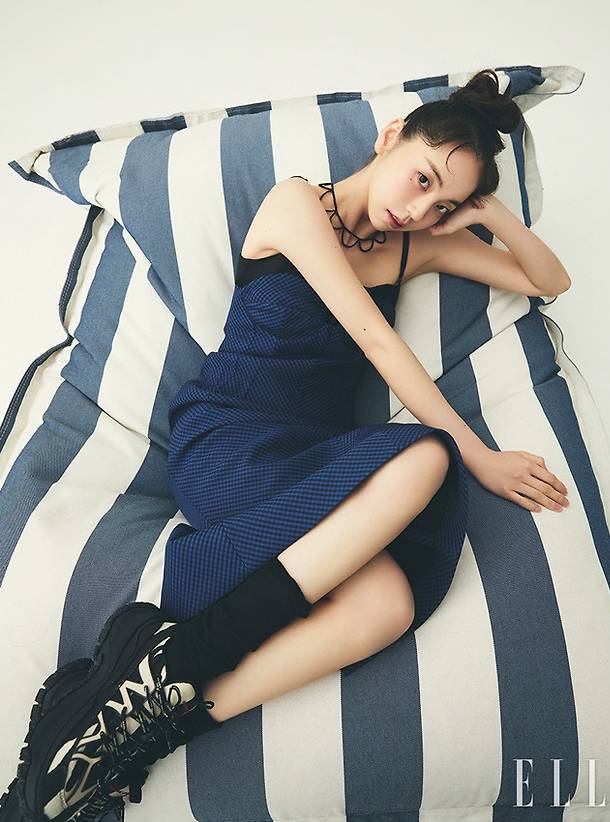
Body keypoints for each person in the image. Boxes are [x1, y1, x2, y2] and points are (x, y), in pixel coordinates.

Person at [1, 68, 572, 822]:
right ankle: (179, 657)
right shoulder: (295, 204)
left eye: (442, 204)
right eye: (422, 178)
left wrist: (488, 208)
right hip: (227, 440)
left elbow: (549, 280)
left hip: (306, 463)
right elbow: (378, 344)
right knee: (431, 456)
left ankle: (135, 729)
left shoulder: (415, 247)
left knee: (387, 604)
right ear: (390, 137)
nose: (418, 209)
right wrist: (482, 457)